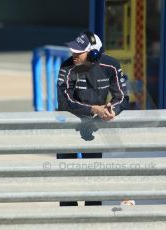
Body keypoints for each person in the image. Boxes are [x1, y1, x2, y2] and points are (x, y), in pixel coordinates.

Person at [56, 31, 129, 206]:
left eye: (78, 52)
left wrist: (113, 109)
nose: (73, 54)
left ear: (93, 53)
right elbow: (65, 102)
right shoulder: (66, 67)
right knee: (67, 183)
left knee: (94, 180)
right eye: (73, 50)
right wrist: (93, 109)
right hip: (68, 128)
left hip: (95, 128)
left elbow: (123, 97)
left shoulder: (111, 65)